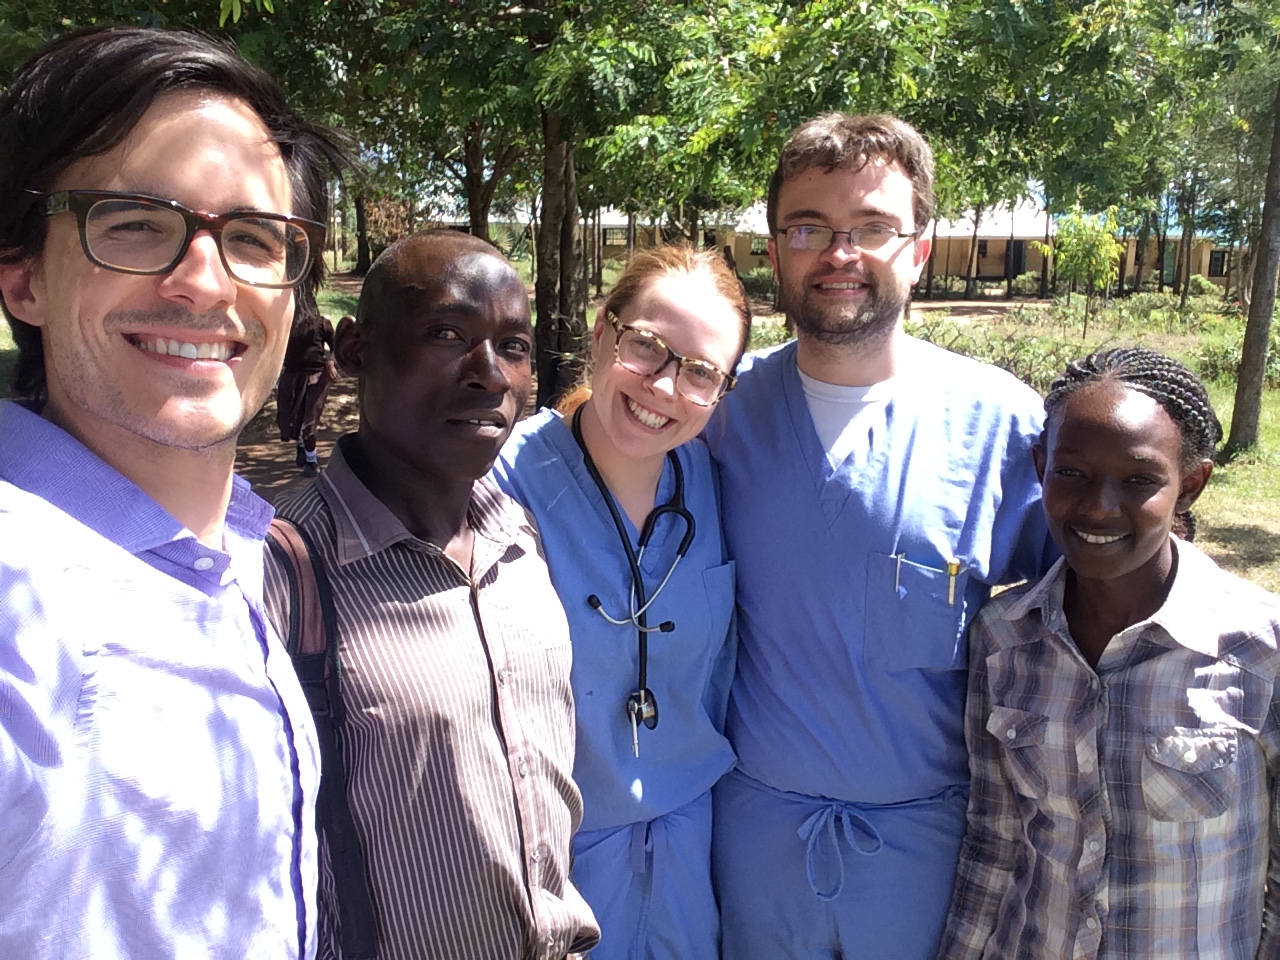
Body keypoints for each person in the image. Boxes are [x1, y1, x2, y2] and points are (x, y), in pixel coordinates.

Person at [0, 26, 347, 959]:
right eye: (134, 224)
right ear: (23, 276)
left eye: (254, 238)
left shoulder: (240, 550)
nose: (205, 283)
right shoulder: (17, 598)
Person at [703, 112, 1054, 959]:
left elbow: (1086, 605)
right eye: (809, 227)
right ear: (774, 248)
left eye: (871, 228)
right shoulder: (714, 412)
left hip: (929, 855)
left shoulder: (1000, 423)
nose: (839, 253)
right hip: (751, 843)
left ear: (920, 250)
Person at [262, 230, 600, 960]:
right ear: (355, 350)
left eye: (513, 346)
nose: (491, 375)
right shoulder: (281, 569)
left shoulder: (518, 538)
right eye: (448, 333)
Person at [939, 347, 1280, 959]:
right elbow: (994, 841)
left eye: (1139, 480)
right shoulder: (1004, 637)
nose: (1099, 506)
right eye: (1071, 473)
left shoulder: (1261, 649)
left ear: (1191, 485)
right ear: (1041, 467)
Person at [492, 245, 749, 959]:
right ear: (603, 332)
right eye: (648, 347)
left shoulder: (715, 482)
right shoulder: (500, 480)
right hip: (546, 863)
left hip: (691, 851)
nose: (665, 387)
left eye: (700, 372)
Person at [276, 285, 337, 477]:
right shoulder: (286, 324)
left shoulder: (321, 324)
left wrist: (330, 363)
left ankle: (312, 461)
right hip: (293, 376)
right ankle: (302, 447)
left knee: (309, 422)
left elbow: (336, 347)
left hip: (316, 377)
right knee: (292, 417)